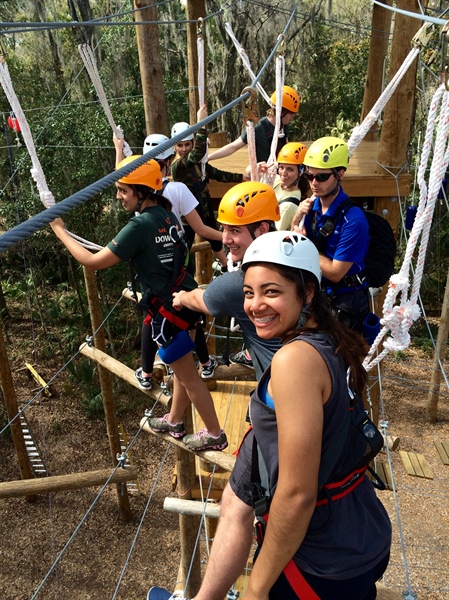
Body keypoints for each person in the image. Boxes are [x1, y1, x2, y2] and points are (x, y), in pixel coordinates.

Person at [150, 230, 391, 600]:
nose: (255, 305)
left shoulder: (294, 359)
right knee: (233, 501)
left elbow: (296, 495)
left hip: (318, 561)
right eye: (248, 293)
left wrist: (256, 590)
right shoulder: (330, 339)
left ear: (307, 292)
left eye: (271, 292)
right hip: (353, 534)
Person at [50, 156, 227, 452]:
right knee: (183, 373)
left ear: (141, 191)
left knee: (188, 377)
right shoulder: (167, 215)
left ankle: (215, 434)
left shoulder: (140, 225)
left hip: (170, 311)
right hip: (186, 300)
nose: (119, 196)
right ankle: (174, 420)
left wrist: (59, 230)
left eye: (123, 190)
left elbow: (93, 262)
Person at [113, 131, 220, 381]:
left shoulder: (139, 196)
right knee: (187, 312)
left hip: (151, 266)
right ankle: (204, 364)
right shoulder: (175, 192)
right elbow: (201, 228)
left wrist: (119, 148)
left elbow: (121, 177)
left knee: (153, 315)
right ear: (169, 161)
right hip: (178, 261)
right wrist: (225, 238)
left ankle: (149, 372)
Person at [172, 181, 282, 381]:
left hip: (281, 391)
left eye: (235, 231)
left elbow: (202, 299)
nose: (225, 239)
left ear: (262, 230)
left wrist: (182, 297)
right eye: (224, 229)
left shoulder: (241, 284)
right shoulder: (294, 261)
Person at [292, 136, 370, 333]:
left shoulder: (353, 220)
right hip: (316, 295)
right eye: (309, 176)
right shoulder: (311, 207)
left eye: (322, 177)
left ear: (340, 174)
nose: (314, 183)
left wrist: (303, 244)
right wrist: (294, 222)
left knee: (341, 360)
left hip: (345, 302)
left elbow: (336, 272)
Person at [170, 105, 246, 270]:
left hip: (203, 207)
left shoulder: (200, 165)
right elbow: (197, 153)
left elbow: (217, 174)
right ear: (174, 147)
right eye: (180, 145)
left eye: (187, 145)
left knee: (216, 241)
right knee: (184, 245)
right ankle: (180, 273)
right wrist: (202, 123)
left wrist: (240, 177)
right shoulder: (179, 165)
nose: (184, 149)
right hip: (188, 215)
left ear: (192, 143)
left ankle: (227, 266)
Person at [207, 85, 300, 164]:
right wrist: (209, 157)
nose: (293, 116)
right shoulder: (258, 128)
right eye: (291, 113)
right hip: (265, 174)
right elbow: (233, 146)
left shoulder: (283, 125)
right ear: (281, 111)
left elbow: (286, 146)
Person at [272, 141, 310, 230]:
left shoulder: (287, 207)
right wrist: (258, 168)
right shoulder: (277, 181)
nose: (283, 174)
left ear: (300, 172)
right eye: (281, 167)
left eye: (290, 169)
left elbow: (274, 236)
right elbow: (249, 171)